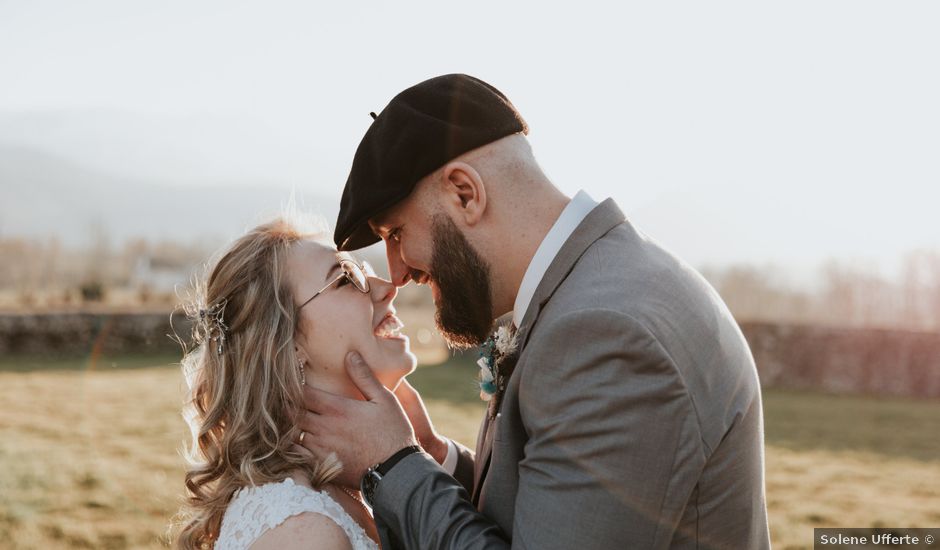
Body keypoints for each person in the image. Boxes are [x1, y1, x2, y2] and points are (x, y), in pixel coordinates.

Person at [298, 74, 772, 549]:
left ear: (465, 193)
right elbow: (546, 507)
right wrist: (437, 457)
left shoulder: (606, 333)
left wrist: (394, 463)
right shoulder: (596, 288)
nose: (397, 273)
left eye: (396, 234)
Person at [175, 217, 421, 550]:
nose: (388, 287)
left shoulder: (342, 489)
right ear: (287, 344)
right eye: (347, 279)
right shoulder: (303, 532)